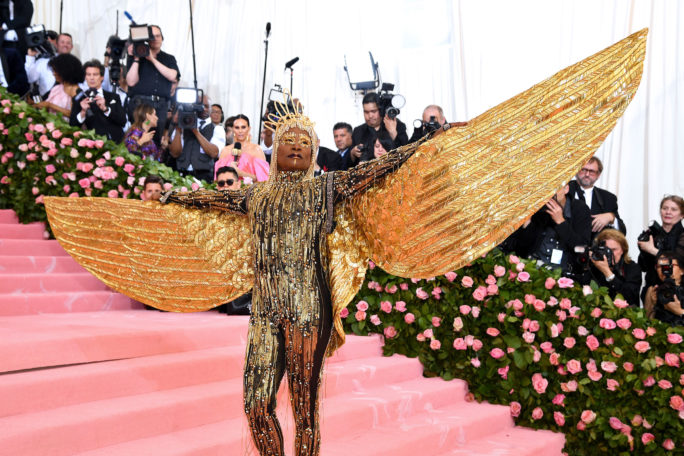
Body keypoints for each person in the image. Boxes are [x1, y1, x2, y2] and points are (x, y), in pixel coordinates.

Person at [161, 100, 427, 455]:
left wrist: (422, 143)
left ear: (314, 150)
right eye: (290, 139)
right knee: (256, 404)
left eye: (306, 141)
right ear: (276, 148)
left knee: (305, 410)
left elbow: (376, 170)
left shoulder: (325, 188)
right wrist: (178, 199)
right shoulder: (255, 195)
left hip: (308, 310)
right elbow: (213, 199)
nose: (298, 145)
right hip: (265, 312)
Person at [500, 184, 592, 273]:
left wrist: (561, 222)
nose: (551, 193)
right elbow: (521, 248)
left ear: (566, 189)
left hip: (565, 272)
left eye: (555, 188)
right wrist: (527, 223)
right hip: (533, 269)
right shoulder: (538, 207)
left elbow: (582, 246)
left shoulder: (579, 209)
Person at [125, 24, 179, 146]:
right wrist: (137, 58)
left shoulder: (169, 58)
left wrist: (152, 59)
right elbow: (131, 81)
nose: (155, 39)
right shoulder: (136, 55)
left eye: (158, 36)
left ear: (162, 38)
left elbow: (172, 76)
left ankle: (153, 162)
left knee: (155, 138)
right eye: (152, 37)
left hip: (159, 107)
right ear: (147, 40)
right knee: (138, 136)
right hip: (141, 106)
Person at [637, 195, 684, 302]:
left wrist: (652, 251)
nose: (668, 212)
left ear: (682, 215)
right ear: (660, 211)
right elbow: (643, 266)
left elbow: (677, 262)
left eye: (673, 209)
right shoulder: (652, 234)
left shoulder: (682, 235)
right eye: (665, 208)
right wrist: (643, 250)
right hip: (652, 288)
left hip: (678, 291)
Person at [169, 95, 224, 182]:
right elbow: (175, 153)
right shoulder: (183, 123)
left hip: (204, 177)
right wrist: (178, 128)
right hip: (181, 175)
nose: (203, 109)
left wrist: (196, 131)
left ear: (211, 109)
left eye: (206, 106)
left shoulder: (217, 128)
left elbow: (214, 153)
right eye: (200, 105)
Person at [69, 59, 126, 142]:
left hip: (117, 143)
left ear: (102, 77)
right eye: (88, 74)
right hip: (95, 146)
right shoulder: (79, 99)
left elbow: (122, 121)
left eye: (95, 74)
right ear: (85, 77)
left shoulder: (113, 97)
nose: (92, 78)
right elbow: (72, 125)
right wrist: (83, 112)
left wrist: (105, 109)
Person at [568, 157, 626, 239]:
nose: (587, 174)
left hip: (594, 248)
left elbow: (622, 232)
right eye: (583, 170)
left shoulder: (608, 198)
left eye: (591, 171)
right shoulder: (562, 190)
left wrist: (611, 217)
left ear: (598, 175)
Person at [350, 92, 409, 166]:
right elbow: (348, 165)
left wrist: (393, 133)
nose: (370, 116)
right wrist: (352, 153)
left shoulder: (398, 126)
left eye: (373, 111)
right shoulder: (358, 131)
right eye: (366, 112)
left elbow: (406, 154)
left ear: (381, 110)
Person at [588, 229, 641, 306]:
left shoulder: (632, 268)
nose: (610, 253)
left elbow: (630, 297)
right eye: (606, 250)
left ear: (623, 250)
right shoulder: (593, 267)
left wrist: (608, 273)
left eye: (613, 250)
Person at [214, 114, 268, 182]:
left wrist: (241, 173)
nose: (240, 131)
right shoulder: (225, 150)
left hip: (250, 191)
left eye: (243, 127)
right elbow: (217, 179)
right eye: (237, 127)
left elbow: (264, 181)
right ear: (233, 129)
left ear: (249, 128)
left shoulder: (257, 150)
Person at [33, 53, 83, 118]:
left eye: (56, 71)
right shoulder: (56, 88)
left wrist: (50, 105)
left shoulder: (75, 90)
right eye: (53, 70)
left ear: (65, 71)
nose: (54, 74)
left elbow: (73, 114)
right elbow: (46, 105)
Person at [647, 251, 684, 325]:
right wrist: (653, 305)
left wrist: (680, 311)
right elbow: (647, 323)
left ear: (682, 270)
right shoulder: (653, 290)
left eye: (669, 266)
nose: (664, 270)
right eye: (659, 266)